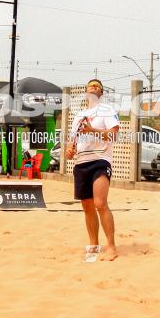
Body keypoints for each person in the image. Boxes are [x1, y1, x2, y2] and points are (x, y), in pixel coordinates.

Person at [65, 79, 121, 261]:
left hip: (100, 160)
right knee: (87, 207)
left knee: (100, 203)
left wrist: (91, 130)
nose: (93, 88)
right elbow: (72, 141)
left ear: (101, 93)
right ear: (86, 91)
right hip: (81, 162)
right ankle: (94, 245)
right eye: (91, 85)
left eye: (97, 86)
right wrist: (70, 149)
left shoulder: (107, 111)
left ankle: (111, 246)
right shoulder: (78, 115)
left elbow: (113, 134)